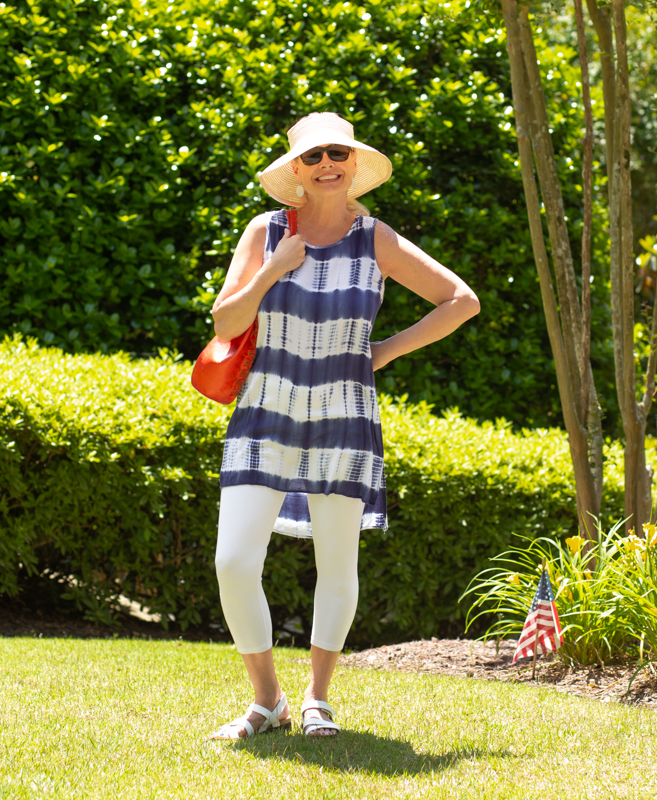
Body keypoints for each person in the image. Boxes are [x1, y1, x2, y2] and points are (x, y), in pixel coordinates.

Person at [208, 112, 480, 739]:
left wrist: (382, 351)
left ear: (352, 163)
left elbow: (460, 300)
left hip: (343, 414)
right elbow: (225, 324)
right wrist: (274, 267)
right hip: (265, 410)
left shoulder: (374, 237)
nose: (327, 164)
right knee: (233, 560)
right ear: (295, 171)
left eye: (338, 153)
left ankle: (318, 700)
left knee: (338, 565)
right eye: (314, 156)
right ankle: (266, 698)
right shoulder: (266, 231)